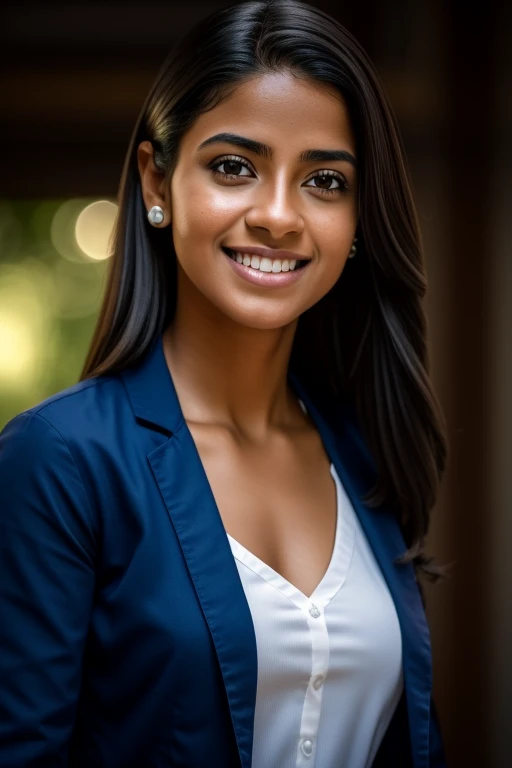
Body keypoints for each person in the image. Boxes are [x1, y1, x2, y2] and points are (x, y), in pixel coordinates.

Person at [0, 1, 449, 765]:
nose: (278, 215)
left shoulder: (364, 453)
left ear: (358, 219)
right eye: (234, 166)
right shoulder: (60, 461)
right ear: (158, 181)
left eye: (325, 180)